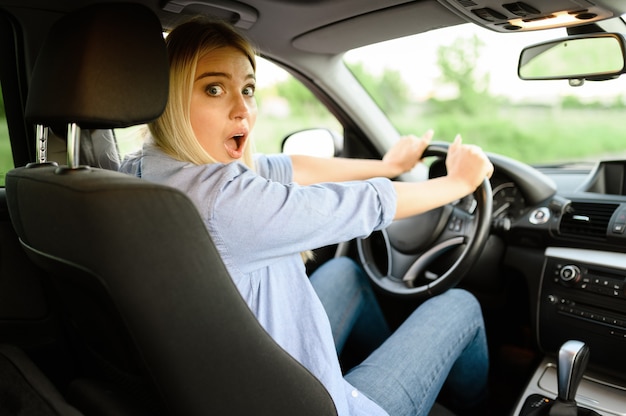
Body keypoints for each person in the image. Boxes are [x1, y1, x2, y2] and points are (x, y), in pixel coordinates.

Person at [120, 18, 494, 416]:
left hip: (236, 374)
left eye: (247, 89)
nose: (242, 108)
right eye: (214, 89)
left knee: (343, 274)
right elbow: (363, 205)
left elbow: (288, 166)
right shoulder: (225, 200)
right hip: (307, 403)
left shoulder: (141, 169)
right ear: (170, 98)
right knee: (458, 305)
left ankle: (401, 381)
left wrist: (385, 165)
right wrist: (458, 182)